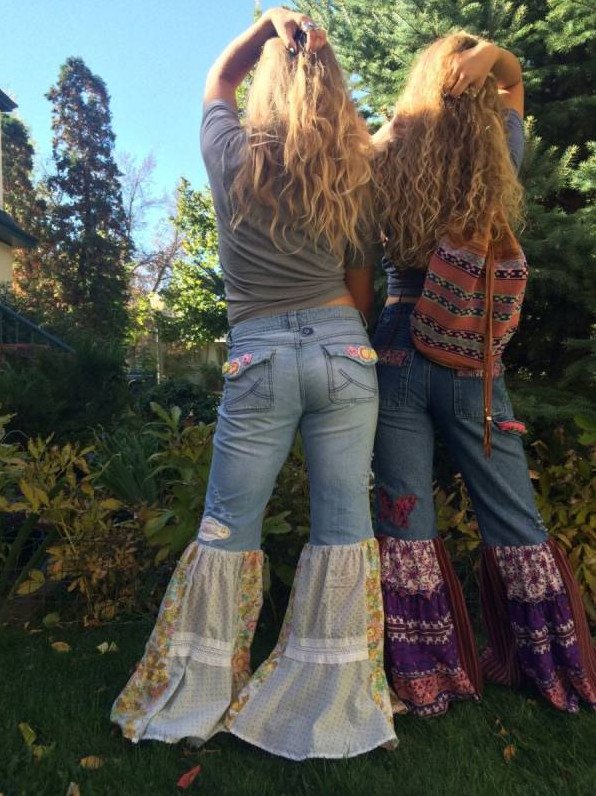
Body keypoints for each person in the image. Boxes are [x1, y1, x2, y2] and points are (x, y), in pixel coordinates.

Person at [111, 8, 398, 760]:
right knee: (344, 527)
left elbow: (219, 78)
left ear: (265, 87)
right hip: (343, 349)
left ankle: (196, 695)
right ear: (331, 89)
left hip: (259, 353)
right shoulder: (353, 172)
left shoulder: (230, 152)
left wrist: (269, 26)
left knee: (228, 525)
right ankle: (335, 703)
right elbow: (362, 294)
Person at [371, 33, 596, 717]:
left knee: (405, 511)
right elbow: (513, 83)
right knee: (511, 511)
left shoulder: (389, 157)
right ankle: (548, 666)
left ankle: (424, 675)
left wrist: (403, 117)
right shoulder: (498, 154)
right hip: (471, 356)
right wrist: (492, 55)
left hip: (397, 348)